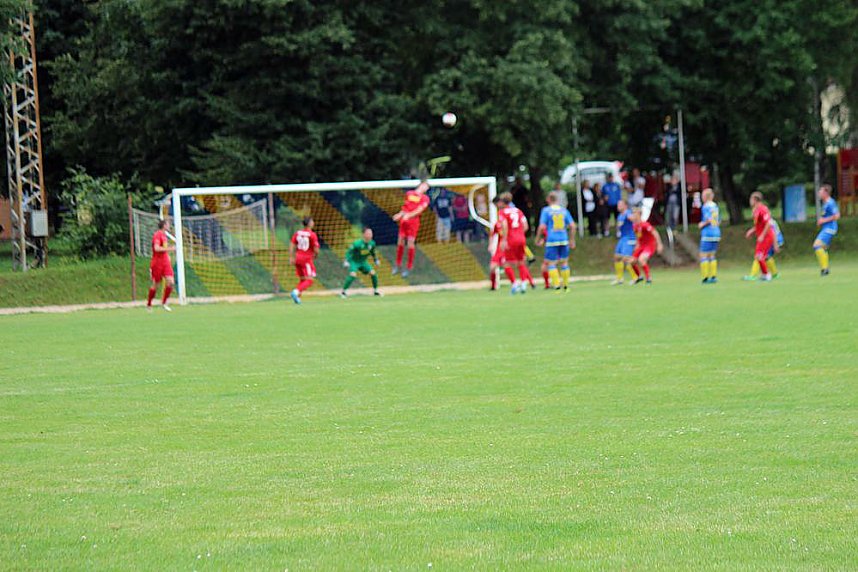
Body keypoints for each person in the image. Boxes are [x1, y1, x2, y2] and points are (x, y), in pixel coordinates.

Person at [536, 190, 576, 292]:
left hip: (552, 240)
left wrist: (538, 239)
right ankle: (566, 286)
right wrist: (572, 239)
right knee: (564, 262)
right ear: (557, 200)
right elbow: (572, 226)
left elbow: (542, 226)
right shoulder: (564, 210)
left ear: (548, 200)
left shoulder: (546, 211)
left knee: (551, 263)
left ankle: (557, 286)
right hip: (563, 239)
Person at [497, 192, 533, 294]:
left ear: (502, 202)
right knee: (521, 261)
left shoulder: (502, 212)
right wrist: (519, 233)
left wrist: (504, 239)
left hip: (510, 239)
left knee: (506, 263)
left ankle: (514, 284)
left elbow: (504, 225)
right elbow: (525, 226)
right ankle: (523, 284)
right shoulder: (518, 211)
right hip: (521, 238)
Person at [392, 181, 430, 277]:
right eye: (425, 186)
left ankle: (409, 266)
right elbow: (405, 208)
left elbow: (419, 210)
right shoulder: (409, 194)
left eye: (427, 188)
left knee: (410, 242)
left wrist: (408, 215)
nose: (426, 188)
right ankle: (398, 264)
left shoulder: (425, 198)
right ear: (421, 184)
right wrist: (399, 215)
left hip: (413, 221)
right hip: (404, 220)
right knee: (400, 241)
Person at [341, 227, 382, 298]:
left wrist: (376, 260)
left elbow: (373, 252)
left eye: (371, 233)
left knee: (373, 273)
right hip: (354, 262)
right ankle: (343, 292)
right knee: (353, 275)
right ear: (364, 235)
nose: (370, 235)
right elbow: (349, 252)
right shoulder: (357, 243)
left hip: (363, 262)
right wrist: (346, 261)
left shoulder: (372, 243)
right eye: (368, 233)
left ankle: (375, 291)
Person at [744, 192, 775, 282]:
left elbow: (768, 223)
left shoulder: (763, 209)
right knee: (760, 256)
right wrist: (752, 231)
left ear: (755, 200)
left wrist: (762, 235)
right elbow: (759, 225)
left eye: (751, 199)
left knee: (759, 255)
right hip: (763, 236)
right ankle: (765, 274)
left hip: (767, 237)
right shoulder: (756, 210)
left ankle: (767, 275)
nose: (750, 201)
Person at [289, 216, 320, 304]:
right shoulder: (312, 234)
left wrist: (291, 257)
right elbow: (316, 249)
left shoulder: (297, 233)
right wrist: (316, 255)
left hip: (297, 258)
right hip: (306, 260)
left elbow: (292, 244)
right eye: (312, 221)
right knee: (309, 280)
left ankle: (297, 298)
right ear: (310, 223)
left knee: (303, 279)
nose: (313, 223)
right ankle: (295, 292)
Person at [148, 219, 175, 311]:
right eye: (168, 224)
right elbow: (156, 248)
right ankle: (149, 304)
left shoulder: (164, 236)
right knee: (156, 284)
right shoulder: (157, 235)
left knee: (171, 282)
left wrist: (167, 256)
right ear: (164, 225)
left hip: (165, 262)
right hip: (157, 263)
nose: (169, 226)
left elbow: (164, 249)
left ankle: (164, 303)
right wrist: (170, 249)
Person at [630, 208, 663, 284]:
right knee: (631, 261)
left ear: (639, 215)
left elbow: (655, 233)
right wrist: (636, 246)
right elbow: (638, 237)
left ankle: (649, 278)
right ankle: (639, 277)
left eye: (635, 213)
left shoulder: (645, 225)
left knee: (641, 260)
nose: (633, 215)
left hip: (649, 246)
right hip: (641, 246)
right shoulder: (635, 226)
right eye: (633, 213)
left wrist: (659, 244)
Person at [813, 184, 840, 276]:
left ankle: (825, 269)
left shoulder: (830, 203)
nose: (819, 193)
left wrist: (823, 220)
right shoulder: (825, 204)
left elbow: (837, 216)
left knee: (817, 246)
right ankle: (825, 269)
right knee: (823, 248)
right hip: (826, 228)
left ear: (826, 193)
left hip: (830, 228)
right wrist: (821, 221)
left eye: (820, 191)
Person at [611, 200, 638, 285]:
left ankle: (636, 277)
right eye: (618, 204)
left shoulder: (628, 213)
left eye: (620, 205)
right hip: (622, 238)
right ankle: (619, 278)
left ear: (625, 206)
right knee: (616, 257)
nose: (618, 206)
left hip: (629, 238)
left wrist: (633, 215)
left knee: (626, 258)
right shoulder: (620, 215)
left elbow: (634, 219)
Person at [698, 188, 721, 284]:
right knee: (712, 255)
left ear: (705, 197)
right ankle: (713, 276)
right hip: (716, 233)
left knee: (703, 255)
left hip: (708, 233)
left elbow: (709, 219)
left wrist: (701, 224)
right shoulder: (715, 206)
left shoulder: (706, 206)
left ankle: (705, 277)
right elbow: (718, 220)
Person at [487, 197, 505, 291]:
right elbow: (492, 234)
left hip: (508, 248)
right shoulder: (497, 224)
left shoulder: (510, 223)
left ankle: (527, 282)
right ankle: (493, 286)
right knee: (492, 267)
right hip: (499, 248)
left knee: (516, 265)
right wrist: (490, 245)